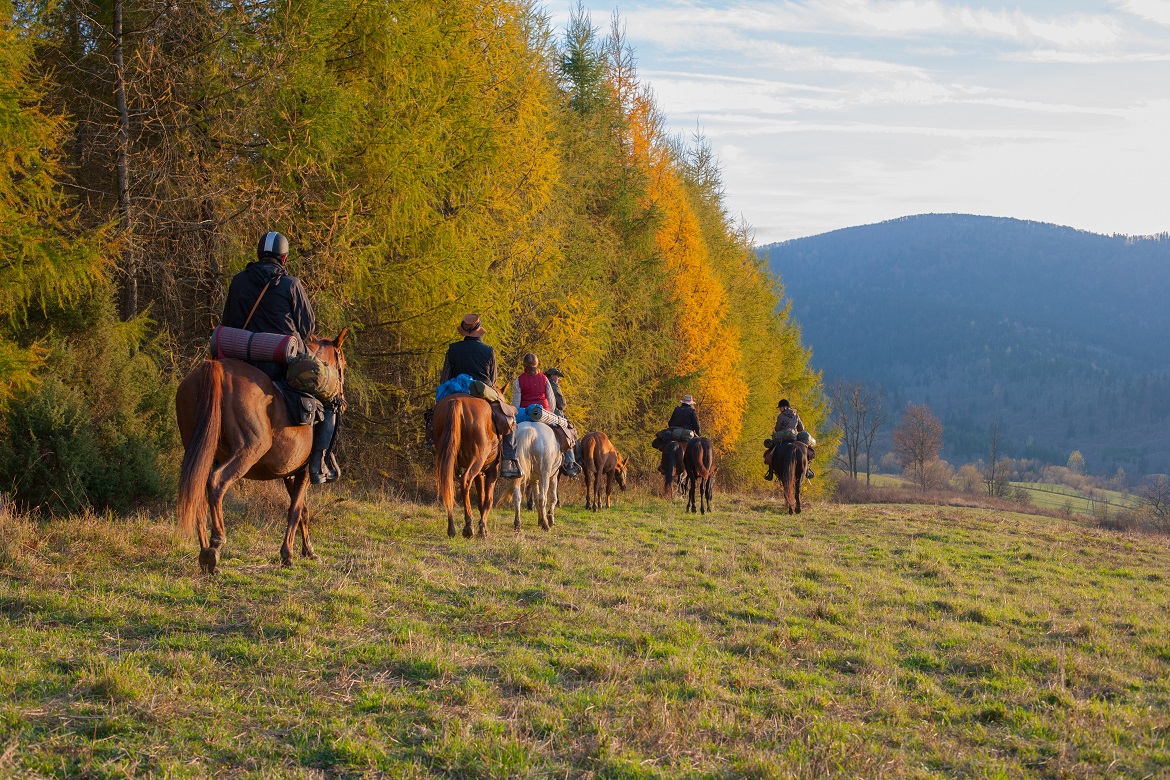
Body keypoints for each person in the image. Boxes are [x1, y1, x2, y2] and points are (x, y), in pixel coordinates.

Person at [222, 231, 339, 485]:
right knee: (331, 399)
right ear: (284, 258)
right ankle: (317, 464)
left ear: (258, 254)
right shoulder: (291, 285)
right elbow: (307, 328)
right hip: (280, 362)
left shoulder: (238, 281)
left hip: (241, 360)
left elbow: (228, 321)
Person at [437, 315, 520, 478]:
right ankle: (508, 459)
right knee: (509, 417)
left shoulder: (453, 349)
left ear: (464, 332)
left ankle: (433, 439)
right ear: (479, 331)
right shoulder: (488, 350)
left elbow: (444, 378)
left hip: (455, 388)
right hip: (481, 390)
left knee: (433, 414)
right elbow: (493, 379)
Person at [511, 354, 580, 477]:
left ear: (524, 365)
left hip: (524, 413)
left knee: (508, 433)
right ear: (537, 364)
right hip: (543, 413)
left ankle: (506, 461)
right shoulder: (544, 379)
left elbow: (516, 403)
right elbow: (552, 401)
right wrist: (550, 413)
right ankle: (569, 463)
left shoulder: (519, 380)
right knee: (563, 430)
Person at [765, 399, 814, 481]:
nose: (779, 409)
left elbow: (777, 429)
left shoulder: (781, 416)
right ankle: (807, 470)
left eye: (780, 407)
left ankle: (770, 472)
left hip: (783, 438)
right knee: (805, 451)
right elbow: (801, 428)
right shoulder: (796, 415)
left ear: (784, 407)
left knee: (772, 450)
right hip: (794, 438)